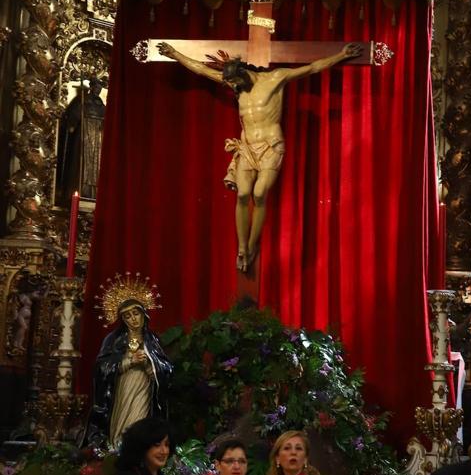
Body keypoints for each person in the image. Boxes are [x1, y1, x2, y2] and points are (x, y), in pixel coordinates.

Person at [157, 40, 361, 272]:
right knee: (243, 194)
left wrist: (341, 55)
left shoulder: (275, 79)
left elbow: (312, 68)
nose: (233, 88)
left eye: (235, 83)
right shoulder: (236, 86)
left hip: (271, 145)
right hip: (247, 146)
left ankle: (252, 246)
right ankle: (242, 247)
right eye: (230, 84)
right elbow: (202, 70)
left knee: (259, 192)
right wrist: (174, 54)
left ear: (243, 74)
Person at [88, 297, 173, 448]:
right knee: (122, 420)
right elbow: (101, 367)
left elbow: (166, 369)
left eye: (136, 313)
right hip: (122, 388)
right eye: (128, 316)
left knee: (138, 419)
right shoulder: (113, 339)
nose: (133, 319)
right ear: (123, 320)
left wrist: (149, 364)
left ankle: (134, 450)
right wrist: (129, 362)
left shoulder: (152, 340)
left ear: (143, 315)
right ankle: (118, 448)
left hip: (143, 388)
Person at [58, 76, 106, 202]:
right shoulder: (82, 100)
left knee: (95, 165)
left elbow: (106, 116)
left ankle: (94, 193)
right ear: (91, 88)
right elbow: (73, 116)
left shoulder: (100, 103)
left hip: (97, 136)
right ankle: (78, 191)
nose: (98, 91)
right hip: (84, 134)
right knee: (82, 163)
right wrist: (77, 115)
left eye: (100, 89)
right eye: (96, 88)